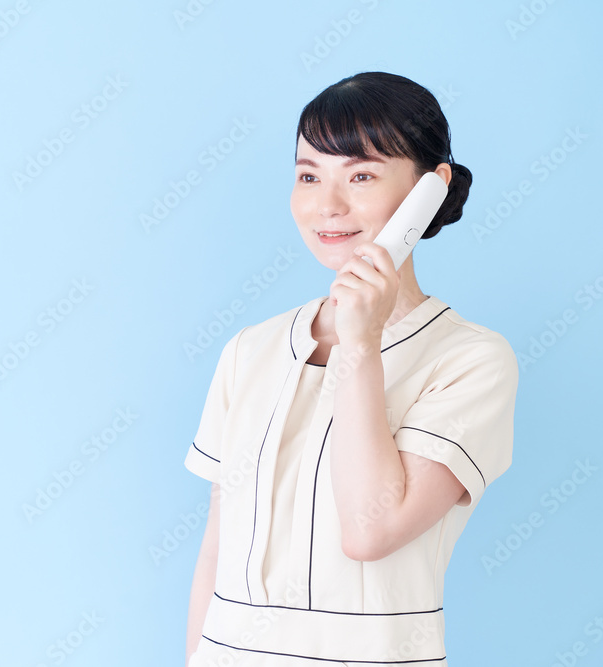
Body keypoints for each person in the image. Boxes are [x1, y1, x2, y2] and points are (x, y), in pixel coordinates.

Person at [183, 71, 519, 666]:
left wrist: (360, 344)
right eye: (309, 176)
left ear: (429, 189)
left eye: (361, 175)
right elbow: (217, 548)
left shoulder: (471, 360)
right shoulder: (250, 350)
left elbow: (371, 531)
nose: (327, 205)